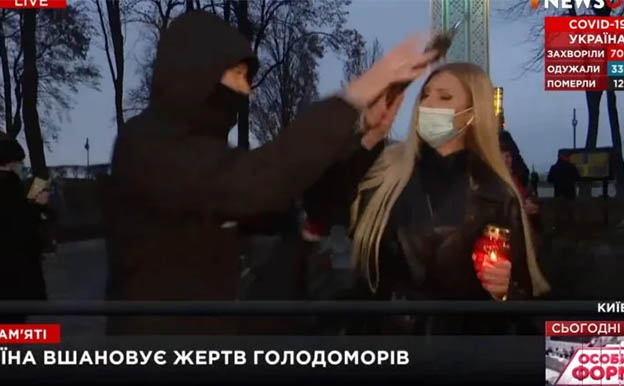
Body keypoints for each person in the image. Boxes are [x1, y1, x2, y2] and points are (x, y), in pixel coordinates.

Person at [104, 11, 435, 335]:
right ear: (196, 72)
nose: (246, 90)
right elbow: (257, 183)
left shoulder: (211, 158)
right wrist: (356, 95)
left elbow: (300, 198)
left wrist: (366, 136)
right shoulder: (146, 146)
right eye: (237, 74)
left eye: (248, 78)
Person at [305, 63, 551, 334]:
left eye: (445, 97)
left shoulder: (495, 193)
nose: (428, 104)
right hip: (386, 342)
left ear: (472, 114)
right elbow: (320, 206)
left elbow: (525, 296)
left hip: (462, 346)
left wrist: (504, 289)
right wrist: (366, 141)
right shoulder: (385, 169)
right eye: (425, 95)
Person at [0, 138, 49, 323]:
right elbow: (22, 229)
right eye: (19, 161)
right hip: (14, 275)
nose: (22, 165)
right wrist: (38, 207)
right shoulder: (11, 187)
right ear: (10, 162)